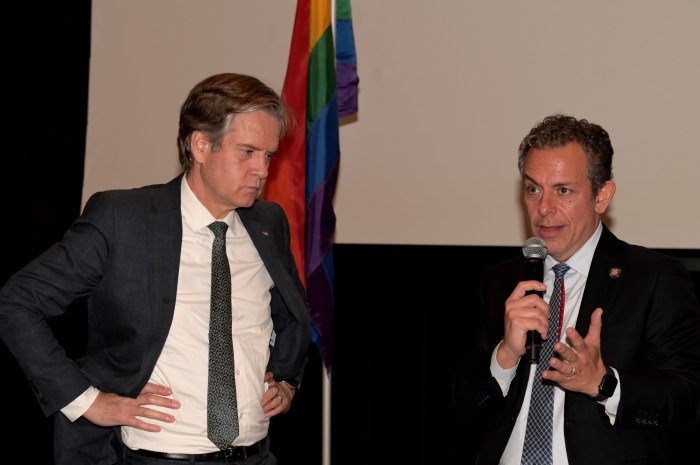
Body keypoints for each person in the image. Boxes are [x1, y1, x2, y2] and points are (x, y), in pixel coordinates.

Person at [0, 72, 311, 465]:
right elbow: (17, 303)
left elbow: (290, 314)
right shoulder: (123, 221)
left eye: (268, 155)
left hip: (257, 456)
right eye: (247, 152)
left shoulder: (268, 222)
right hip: (157, 456)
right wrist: (88, 401)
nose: (262, 171)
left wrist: (287, 380)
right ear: (201, 145)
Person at [452, 113, 700, 465]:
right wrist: (504, 356)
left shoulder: (653, 278)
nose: (543, 209)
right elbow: (463, 409)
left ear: (602, 196)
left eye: (563, 191)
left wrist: (603, 384)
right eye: (533, 188)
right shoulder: (500, 282)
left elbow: (687, 400)